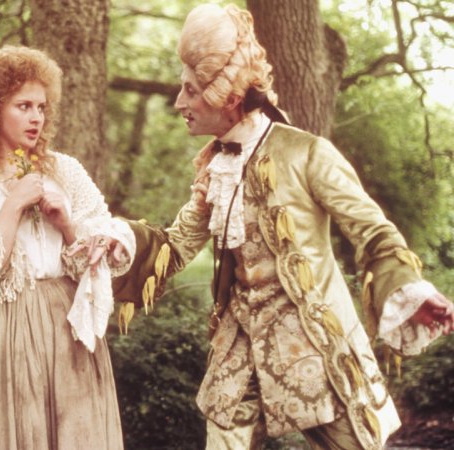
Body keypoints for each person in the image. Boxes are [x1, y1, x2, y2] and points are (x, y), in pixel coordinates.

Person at [113, 4, 454, 449]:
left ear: (226, 97)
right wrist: (116, 239)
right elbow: (174, 247)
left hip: (314, 348)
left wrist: (409, 287)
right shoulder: (215, 169)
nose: (179, 102)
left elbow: (371, 230)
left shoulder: (307, 153)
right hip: (239, 350)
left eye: (190, 91)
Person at [0, 45, 134, 450]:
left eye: (41, 107)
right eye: (23, 106)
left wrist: (66, 224)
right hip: (3, 332)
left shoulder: (65, 170)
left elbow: (101, 252)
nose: (36, 118)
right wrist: (12, 204)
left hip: (66, 328)